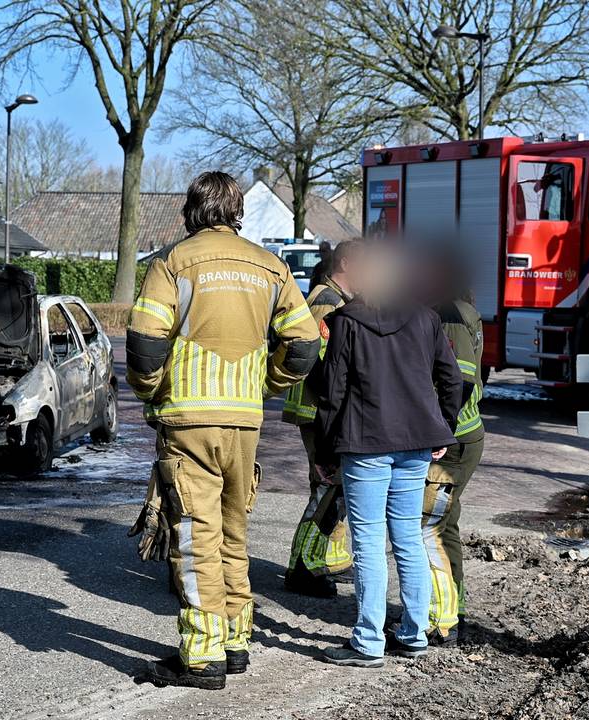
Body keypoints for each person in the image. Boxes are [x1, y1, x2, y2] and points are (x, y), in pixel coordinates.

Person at [127, 171, 321, 690]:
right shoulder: (272, 266)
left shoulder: (173, 263)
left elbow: (146, 344)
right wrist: (266, 383)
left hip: (189, 421)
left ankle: (203, 656)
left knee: (194, 537)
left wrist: (150, 392)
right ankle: (237, 642)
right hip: (244, 422)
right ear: (237, 211)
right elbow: (304, 344)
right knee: (234, 533)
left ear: (192, 209)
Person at [310, 248, 464, 667]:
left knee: (368, 544)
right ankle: (414, 633)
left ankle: (368, 642)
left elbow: (332, 392)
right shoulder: (426, 319)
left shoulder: (345, 322)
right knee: (408, 538)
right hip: (415, 443)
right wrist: (441, 427)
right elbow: (453, 379)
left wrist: (323, 451)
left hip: (365, 445)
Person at [281, 240, 364, 598]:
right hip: (318, 412)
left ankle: (314, 561)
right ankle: (303, 568)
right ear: (346, 263)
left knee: (330, 491)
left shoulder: (335, 300)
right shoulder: (326, 303)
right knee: (327, 489)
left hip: (323, 410)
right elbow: (320, 365)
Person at [421, 289, 486, 646]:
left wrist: (439, 432)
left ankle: (441, 619)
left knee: (429, 527)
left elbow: (459, 381)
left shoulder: (449, 313)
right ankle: (451, 608)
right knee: (444, 526)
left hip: (453, 441)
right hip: (461, 436)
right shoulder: (464, 310)